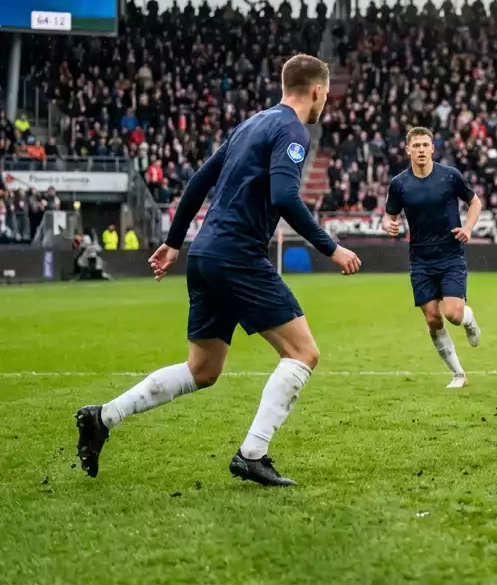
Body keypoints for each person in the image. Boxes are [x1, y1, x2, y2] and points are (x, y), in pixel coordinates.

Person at [74, 54, 363, 486]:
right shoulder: (292, 129)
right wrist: (331, 247)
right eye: (327, 95)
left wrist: (174, 242)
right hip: (238, 255)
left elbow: (198, 182)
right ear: (317, 91)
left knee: (203, 369)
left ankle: (103, 417)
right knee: (303, 354)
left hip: (205, 254)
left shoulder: (250, 124)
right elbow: (285, 196)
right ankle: (253, 453)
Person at [383, 126, 484, 388]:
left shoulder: (450, 176)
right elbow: (389, 215)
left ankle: (469, 320)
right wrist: (388, 225)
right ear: (407, 150)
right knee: (432, 318)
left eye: (425, 145)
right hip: (420, 260)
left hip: (450, 255)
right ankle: (458, 374)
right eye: (415, 146)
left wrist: (469, 228)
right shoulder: (399, 184)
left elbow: (475, 202)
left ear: (432, 148)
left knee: (452, 313)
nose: (421, 150)